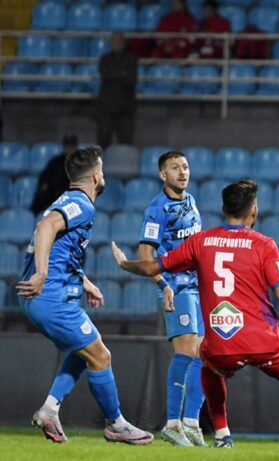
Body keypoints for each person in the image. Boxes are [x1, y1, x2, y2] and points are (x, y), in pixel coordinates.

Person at [111, 180, 279, 452]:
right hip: (262, 340)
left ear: (223, 209)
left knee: (209, 366)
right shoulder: (264, 244)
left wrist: (125, 264)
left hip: (222, 342)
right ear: (254, 210)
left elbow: (151, 267)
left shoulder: (201, 241)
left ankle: (222, 435)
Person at [16, 146, 153, 445]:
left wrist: (84, 281)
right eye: (102, 170)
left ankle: (50, 409)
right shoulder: (82, 204)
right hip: (49, 297)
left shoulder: (66, 200)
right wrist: (41, 274)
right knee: (101, 355)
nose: (103, 175)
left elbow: (62, 249)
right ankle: (115, 424)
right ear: (95, 176)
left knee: (83, 351)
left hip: (41, 297)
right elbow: (45, 227)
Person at [138, 151, 206, 446]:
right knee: (187, 351)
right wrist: (162, 284)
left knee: (204, 354)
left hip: (197, 286)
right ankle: (172, 424)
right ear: (162, 175)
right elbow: (145, 254)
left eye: (185, 167)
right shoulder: (157, 209)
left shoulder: (191, 201)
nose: (182, 172)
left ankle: (191, 422)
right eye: (175, 167)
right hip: (176, 286)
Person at [97, 33, 137, 149]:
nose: (117, 43)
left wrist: (114, 75)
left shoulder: (131, 58)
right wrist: (121, 73)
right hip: (107, 107)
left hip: (125, 107)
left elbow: (131, 79)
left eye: (119, 41)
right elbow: (105, 76)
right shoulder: (105, 59)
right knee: (103, 141)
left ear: (124, 42)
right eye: (114, 41)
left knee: (126, 142)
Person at [31, 134, 78, 216]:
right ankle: (34, 217)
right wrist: (44, 185)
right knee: (41, 195)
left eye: (72, 147)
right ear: (64, 147)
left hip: (70, 193)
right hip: (54, 193)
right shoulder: (55, 162)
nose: (69, 149)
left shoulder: (80, 163)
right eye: (67, 146)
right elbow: (44, 177)